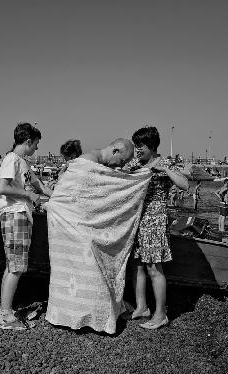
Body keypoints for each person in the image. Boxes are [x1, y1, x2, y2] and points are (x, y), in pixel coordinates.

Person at [45, 138, 150, 334]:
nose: (122, 165)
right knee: (82, 271)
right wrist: (140, 179)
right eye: (122, 160)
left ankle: (82, 313)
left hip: (73, 226)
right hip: (68, 225)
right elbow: (80, 197)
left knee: (80, 271)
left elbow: (95, 197)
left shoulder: (94, 163)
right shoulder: (87, 164)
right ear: (115, 150)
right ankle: (82, 314)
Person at [125, 126, 188, 330]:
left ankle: (161, 314)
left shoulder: (165, 162)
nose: (137, 150)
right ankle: (142, 307)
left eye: (140, 146)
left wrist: (165, 170)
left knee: (154, 267)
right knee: (138, 265)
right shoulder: (137, 163)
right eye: (135, 146)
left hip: (156, 218)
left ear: (151, 146)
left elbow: (185, 184)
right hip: (139, 218)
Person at [0, 123, 53, 330]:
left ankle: (5, 311)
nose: (37, 148)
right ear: (28, 141)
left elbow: (42, 187)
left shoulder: (24, 164)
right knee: (17, 266)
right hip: (15, 214)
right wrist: (28, 195)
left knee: (13, 265)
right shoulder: (12, 159)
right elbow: (4, 187)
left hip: (20, 214)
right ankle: (5, 316)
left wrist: (64, 198)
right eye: (36, 144)